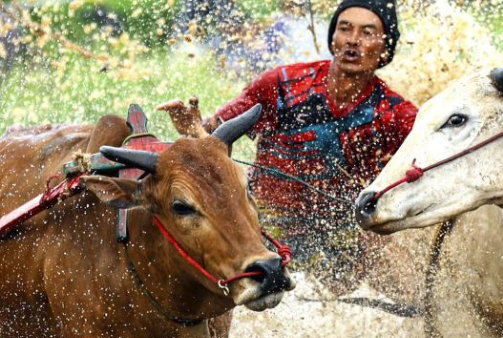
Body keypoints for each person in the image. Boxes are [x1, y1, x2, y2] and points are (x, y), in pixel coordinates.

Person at [160, 0, 418, 296]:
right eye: (345, 28)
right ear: (333, 37)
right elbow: (213, 141)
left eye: (367, 32)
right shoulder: (280, 85)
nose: (353, 40)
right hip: (266, 227)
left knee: (403, 272)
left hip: (344, 232)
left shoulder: (396, 114)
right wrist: (194, 129)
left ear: (385, 49)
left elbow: (431, 159)